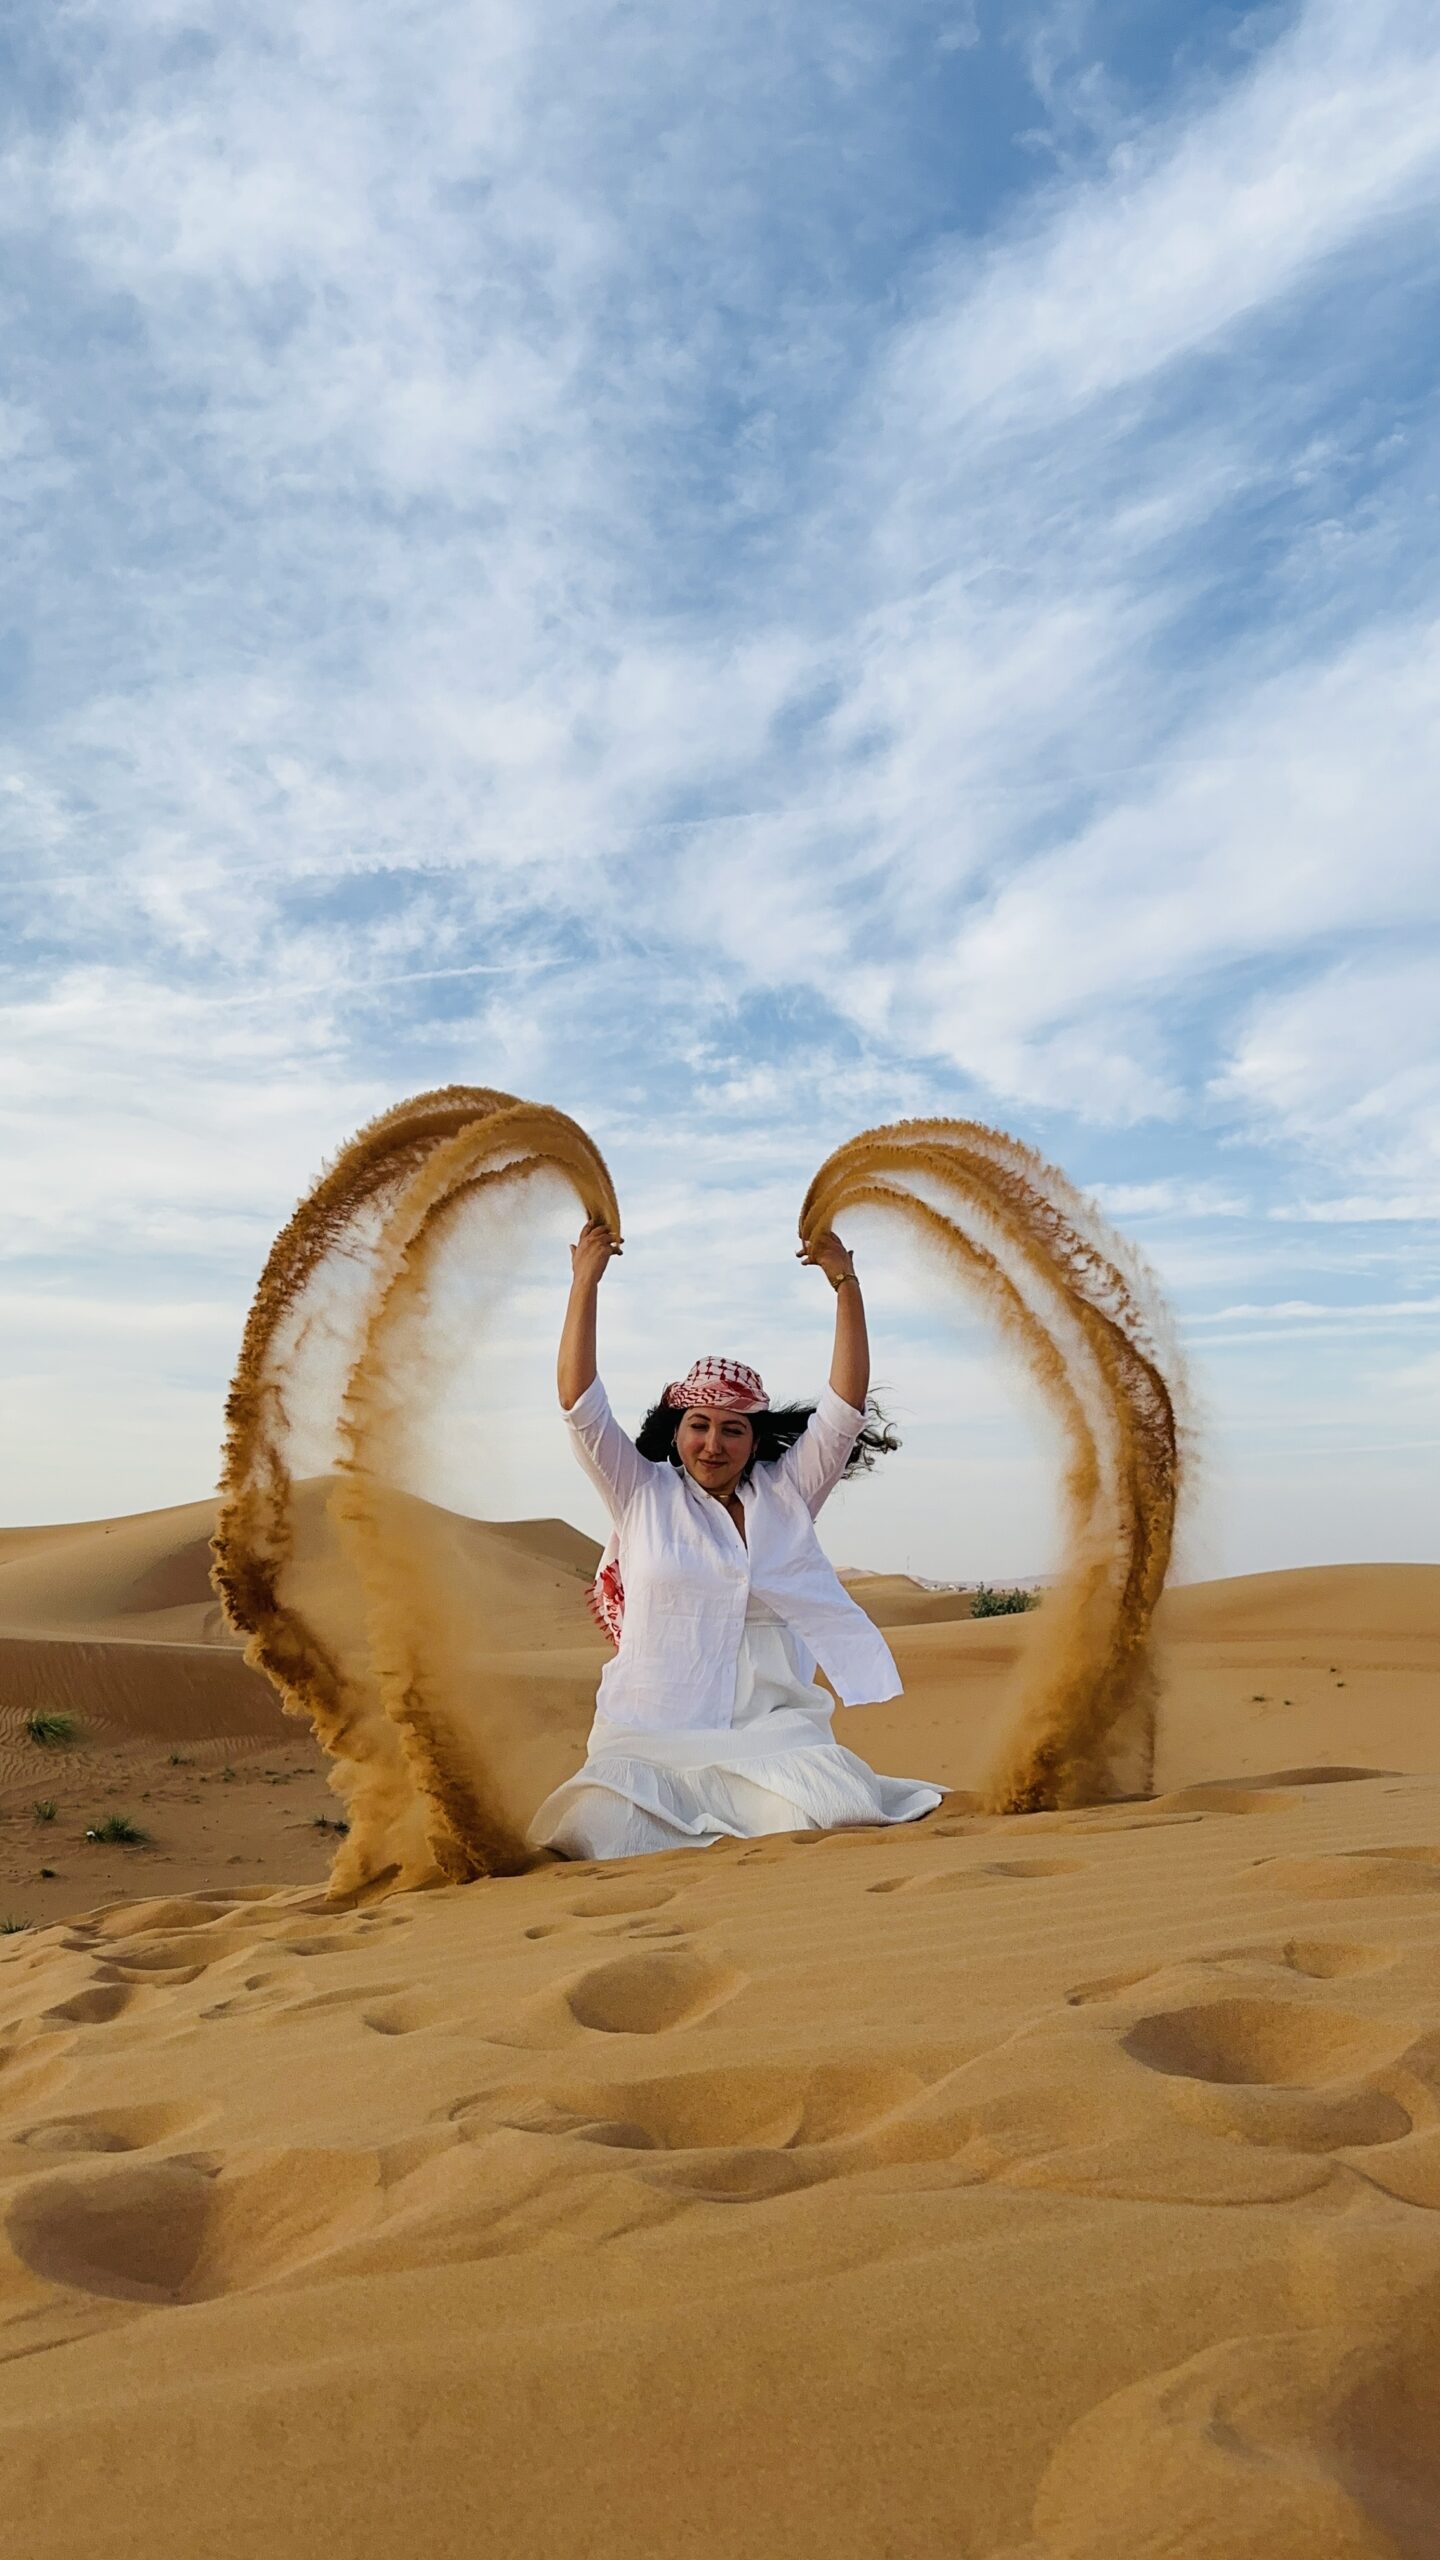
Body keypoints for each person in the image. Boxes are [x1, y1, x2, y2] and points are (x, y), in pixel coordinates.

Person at [525, 1213, 945, 1861]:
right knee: (601, 1832)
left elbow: (844, 1411)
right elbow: (580, 1404)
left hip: (772, 1735)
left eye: (732, 1429)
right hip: (648, 1735)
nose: (713, 1444)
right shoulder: (640, 1493)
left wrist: (846, 1284)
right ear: (676, 1431)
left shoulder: (788, 1494)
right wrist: (585, 1281)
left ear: (754, 1440)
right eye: (699, 1425)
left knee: (821, 1813)